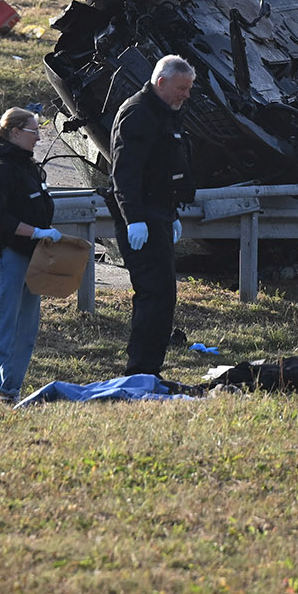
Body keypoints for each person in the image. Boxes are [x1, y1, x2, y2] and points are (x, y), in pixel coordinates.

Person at [108, 55, 194, 377]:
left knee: (163, 295)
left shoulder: (167, 114)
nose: (186, 95)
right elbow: (125, 173)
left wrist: (171, 213)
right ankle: (141, 371)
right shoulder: (138, 114)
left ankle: (149, 368)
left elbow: (166, 167)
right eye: (182, 88)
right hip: (140, 216)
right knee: (154, 293)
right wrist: (134, 218)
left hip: (158, 213)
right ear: (161, 83)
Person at [0, 107, 61, 405]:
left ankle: (9, 393)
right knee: (2, 330)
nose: (38, 138)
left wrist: (43, 233)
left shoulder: (28, 165)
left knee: (25, 333)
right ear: (15, 133)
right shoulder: (2, 167)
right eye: (34, 132)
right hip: (8, 256)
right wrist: (35, 232)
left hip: (32, 256)